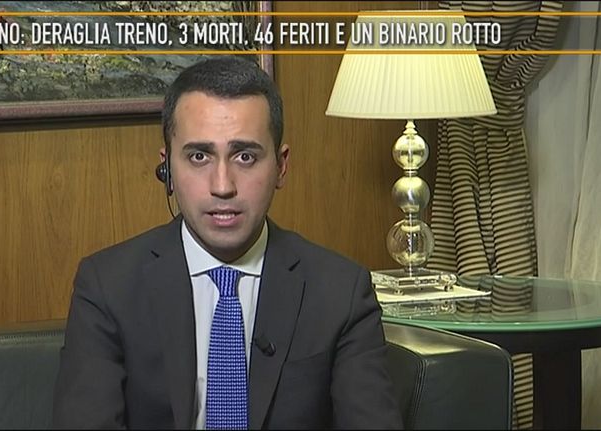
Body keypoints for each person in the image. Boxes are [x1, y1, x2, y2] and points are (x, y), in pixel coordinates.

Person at [52, 56, 403, 429]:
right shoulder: (107, 286)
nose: (222, 186)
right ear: (167, 168)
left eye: (245, 156)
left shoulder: (341, 292)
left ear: (281, 166)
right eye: (199, 156)